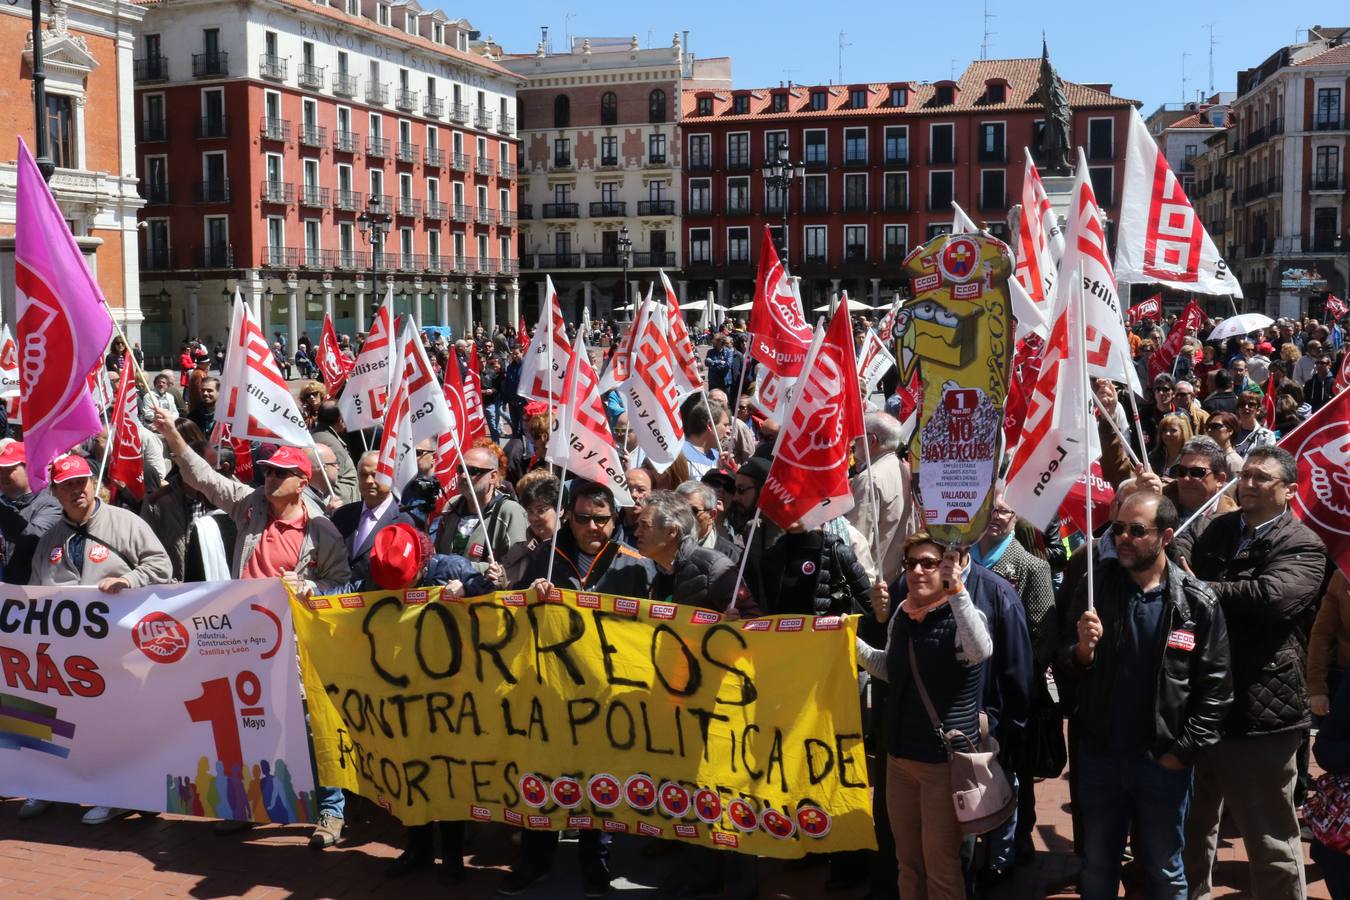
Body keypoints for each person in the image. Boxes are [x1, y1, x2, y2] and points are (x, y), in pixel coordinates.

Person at [151, 408, 352, 848]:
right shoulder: (249, 507)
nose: (269, 478)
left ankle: (332, 812)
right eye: (266, 471)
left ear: (302, 482)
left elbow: (340, 584)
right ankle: (251, 806)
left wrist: (309, 587)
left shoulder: (322, 532)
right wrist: (174, 437)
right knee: (250, 724)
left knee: (311, 723)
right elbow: (205, 478)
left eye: (280, 473)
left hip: (298, 643)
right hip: (247, 641)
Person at [1061, 492, 1232, 899]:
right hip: (1101, 757)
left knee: (1164, 870)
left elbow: (1217, 692)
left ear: (1166, 536)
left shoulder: (1195, 601)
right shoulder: (1095, 588)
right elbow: (1064, 666)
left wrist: (1180, 754)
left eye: (1137, 531)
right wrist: (1082, 652)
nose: (1123, 537)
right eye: (1118, 528)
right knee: (1097, 866)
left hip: (1162, 764)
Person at [1180, 446, 1328, 899]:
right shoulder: (1219, 529)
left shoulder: (1303, 543)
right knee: (1191, 828)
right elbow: (1179, 546)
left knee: (1270, 840)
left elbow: (1272, 598)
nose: (1248, 483)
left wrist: (1200, 588)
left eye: (1262, 477)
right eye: (1245, 475)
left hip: (1262, 710)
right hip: (1200, 704)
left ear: (1288, 490)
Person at [503, 482, 651, 898]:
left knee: (598, 782)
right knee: (543, 777)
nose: (592, 527)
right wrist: (529, 598)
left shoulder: (635, 565)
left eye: (601, 519)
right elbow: (511, 611)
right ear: (569, 516)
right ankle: (534, 861)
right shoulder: (545, 560)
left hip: (607, 697)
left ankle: (594, 862)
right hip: (551, 693)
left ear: (615, 518)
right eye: (583, 517)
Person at [25, 453, 173, 824]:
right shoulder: (50, 540)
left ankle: (118, 792)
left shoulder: (125, 523)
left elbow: (161, 565)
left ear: (94, 483)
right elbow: (33, 591)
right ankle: (50, 787)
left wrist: (129, 581)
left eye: (82, 481)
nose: (77, 489)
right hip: (67, 657)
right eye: (67, 485)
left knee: (115, 722)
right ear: (55, 492)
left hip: (118, 650)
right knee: (60, 720)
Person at [855, 534, 995, 900]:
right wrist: (849, 645)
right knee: (908, 863)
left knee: (942, 870)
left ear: (948, 566)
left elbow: (980, 651)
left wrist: (957, 590)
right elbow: (891, 668)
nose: (917, 571)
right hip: (899, 759)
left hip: (941, 767)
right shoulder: (902, 614)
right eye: (911, 563)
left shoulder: (965, 614)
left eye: (928, 563)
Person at [972, 493, 1057, 875]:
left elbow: (1042, 635)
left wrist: (1020, 678)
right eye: (990, 509)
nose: (996, 517)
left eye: (1005, 510)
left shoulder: (1031, 567)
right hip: (968, 687)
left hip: (1008, 689)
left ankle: (1010, 849)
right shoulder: (962, 557)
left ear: (1016, 516)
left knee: (1012, 770)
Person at [635, 490, 741, 610]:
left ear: (671, 531)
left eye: (645, 526)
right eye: (638, 526)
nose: (636, 533)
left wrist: (736, 617)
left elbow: (749, 618)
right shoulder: (657, 572)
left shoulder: (714, 567)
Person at [434, 445, 527, 572]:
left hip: (486, 590)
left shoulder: (509, 511)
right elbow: (437, 553)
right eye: (461, 469)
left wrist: (467, 571)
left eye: (472, 471)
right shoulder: (453, 505)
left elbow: (517, 566)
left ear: (493, 477)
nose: (463, 476)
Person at [330, 452, 416, 585]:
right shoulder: (342, 515)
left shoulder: (406, 522)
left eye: (376, 475)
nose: (369, 481)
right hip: (338, 596)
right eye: (364, 475)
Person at [848, 412, 913, 588]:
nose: (854, 442)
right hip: (896, 578)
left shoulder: (869, 478)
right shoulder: (905, 470)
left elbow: (856, 539)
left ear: (872, 440)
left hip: (872, 583)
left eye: (859, 436)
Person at [0, 442, 63, 585]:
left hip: (29, 597)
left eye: (9, 469)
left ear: (30, 470)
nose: (2, 475)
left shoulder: (51, 504)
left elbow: (32, 537)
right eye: (0, 469)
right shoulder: (3, 502)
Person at [500, 471, 559, 586]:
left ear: (560, 509)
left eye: (541, 510)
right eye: (529, 511)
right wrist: (498, 580)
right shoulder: (522, 547)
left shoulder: (571, 550)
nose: (534, 517)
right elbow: (509, 588)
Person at [674, 480, 740, 562]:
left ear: (712, 515)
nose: (685, 517)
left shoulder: (732, 557)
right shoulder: (663, 547)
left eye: (693, 511)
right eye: (679, 510)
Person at [1231, 390, 1276, 458]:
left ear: (1258, 410)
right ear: (1238, 409)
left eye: (1251, 404)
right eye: (1242, 404)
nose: (1246, 407)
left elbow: (1269, 460)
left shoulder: (1267, 436)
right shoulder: (1230, 432)